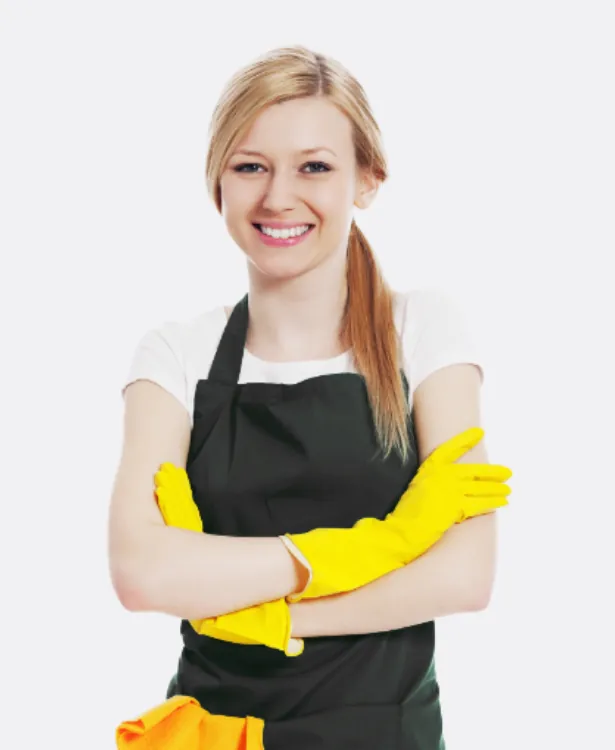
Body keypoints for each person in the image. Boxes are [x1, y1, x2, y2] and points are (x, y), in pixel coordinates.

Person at [109, 45, 512, 750]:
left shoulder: (423, 329)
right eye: (250, 167)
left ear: (367, 180)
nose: (277, 197)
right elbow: (142, 573)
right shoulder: (175, 355)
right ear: (218, 183)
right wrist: (388, 543)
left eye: (314, 167)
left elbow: (463, 575)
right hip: (214, 737)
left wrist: (268, 616)